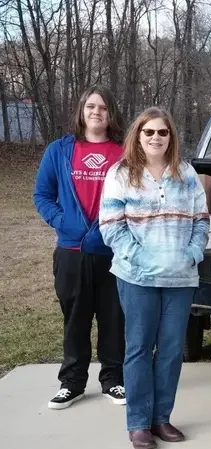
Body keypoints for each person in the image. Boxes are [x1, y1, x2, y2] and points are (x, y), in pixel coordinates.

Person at [99, 107, 210, 448]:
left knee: (172, 350)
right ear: (138, 136)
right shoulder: (120, 173)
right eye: (149, 132)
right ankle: (138, 424)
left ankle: (161, 419)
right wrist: (140, 259)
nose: (156, 138)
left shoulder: (186, 173)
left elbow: (202, 221)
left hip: (180, 278)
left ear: (170, 137)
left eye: (162, 132)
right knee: (138, 349)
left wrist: (190, 254)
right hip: (137, 278)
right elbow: (112, 227)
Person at [33, 85, 127, 410]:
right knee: (75, 319)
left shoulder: (126, 152)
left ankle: (113, 380)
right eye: (90, 107)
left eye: (102, 107)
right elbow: (42, 196)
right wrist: (64, 222)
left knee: (114, 318)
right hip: (71, 252)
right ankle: (71, 383)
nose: (96, 112)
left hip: (113, 252)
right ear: (81, 111)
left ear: (111, 113)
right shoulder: (59, 151)